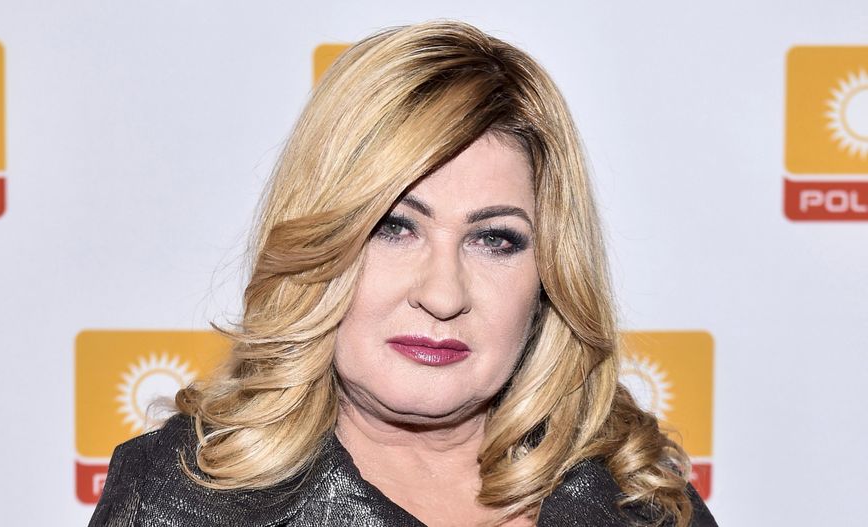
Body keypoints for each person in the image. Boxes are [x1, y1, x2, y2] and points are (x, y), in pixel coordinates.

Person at [89, 20, 717, 527]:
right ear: (322, 246)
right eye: (395, 228)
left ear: (550, 277)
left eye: (494, 240)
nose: (442, 295)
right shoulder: (180, 500)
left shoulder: (639, 502)